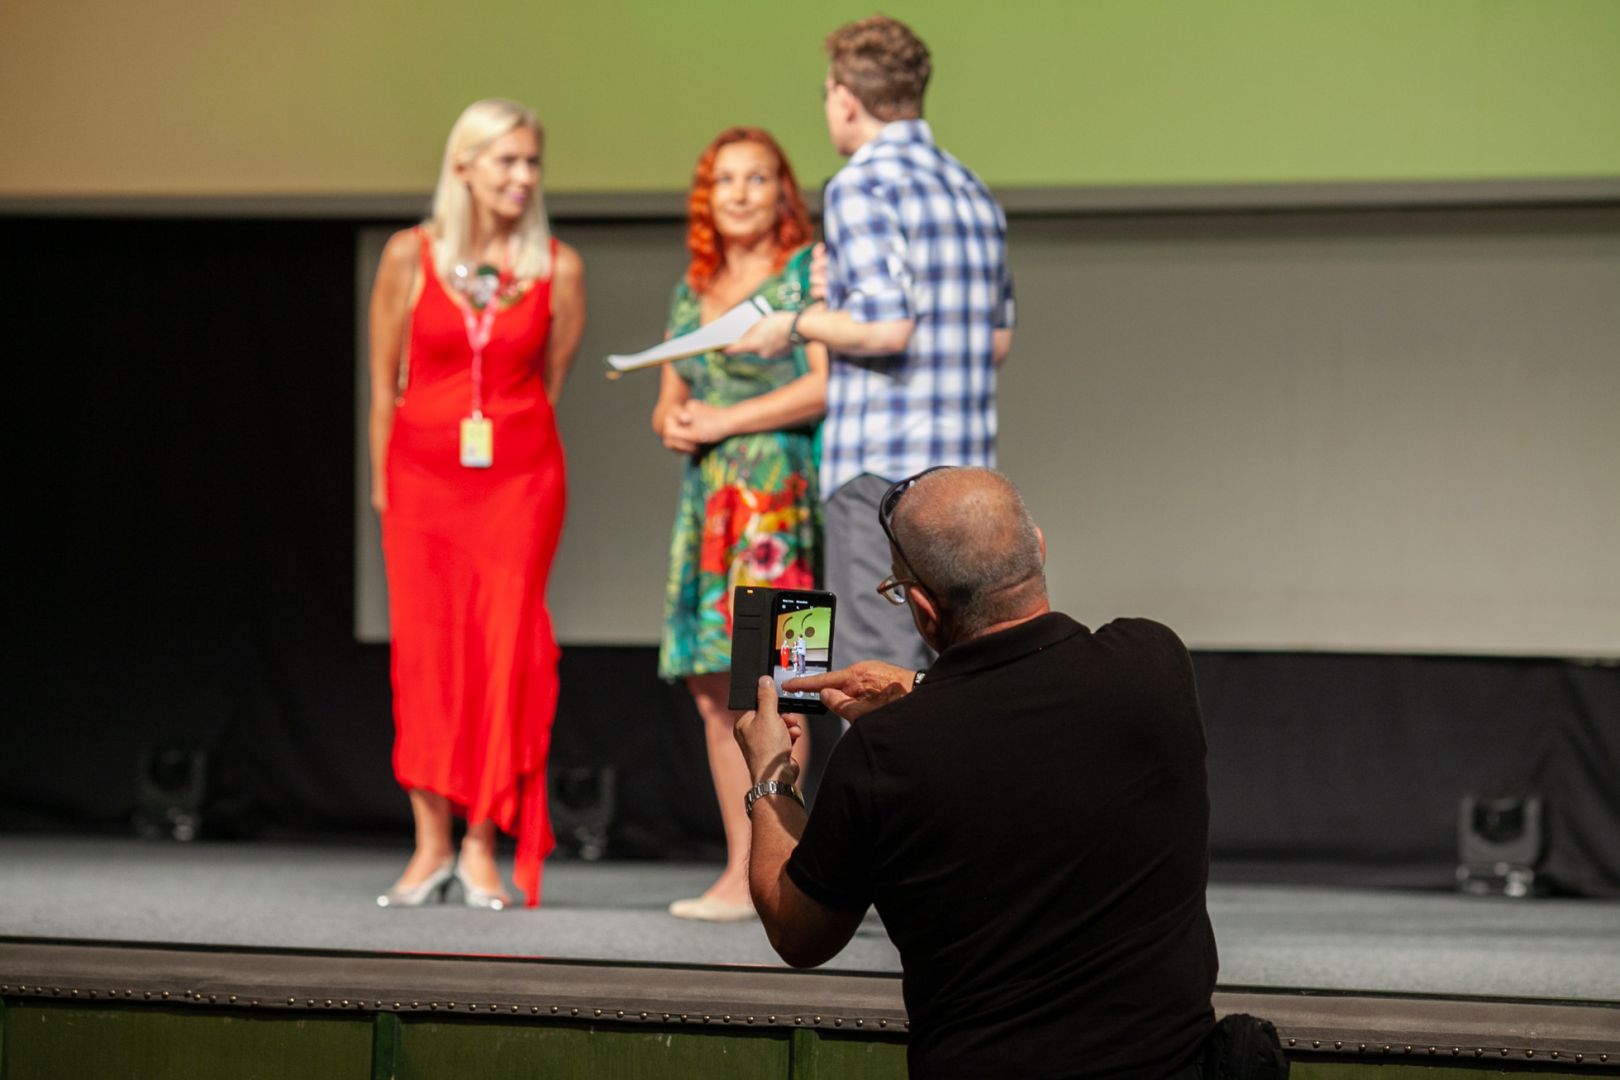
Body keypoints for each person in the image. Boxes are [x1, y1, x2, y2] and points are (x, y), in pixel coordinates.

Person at [735, 467, 1218, 1078]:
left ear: (923, 608)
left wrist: (771, 777)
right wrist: (922, 690)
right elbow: (1027, 721)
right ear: (1037, 548)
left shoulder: (886, 751)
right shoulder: (1154, 663)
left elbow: (798, 932)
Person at [730, 15, 1015, 676]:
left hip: (879, 470)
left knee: (873, 667)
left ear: (845, 98)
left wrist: (797, 324)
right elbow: (994, 340)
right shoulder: (972, 189)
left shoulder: (862, 183)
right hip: (966, 474)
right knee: (954, 664)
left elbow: (887, 329)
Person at [368, 99, 585, 910]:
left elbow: (548, 385)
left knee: (504, 654)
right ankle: (429, 845)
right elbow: (383, 388)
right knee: (426, 656)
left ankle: (481, 843)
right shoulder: (409, 255)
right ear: (463, 166)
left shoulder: (556, 267)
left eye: (532, 162)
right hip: (422, 484)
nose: (524, 176)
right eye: (507, 160)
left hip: (518, 485)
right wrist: (384, 490)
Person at [653, 127, 828, 922]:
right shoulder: (692, 288)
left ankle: (783, 867)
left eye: (758, 178)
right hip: (711, 499)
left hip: (778, 497)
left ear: (782, 191)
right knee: (710, 690)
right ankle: (738, 870)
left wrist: (725, 419)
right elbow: (669, 401)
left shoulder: (805, 273)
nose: (741, 193)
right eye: (725, 180)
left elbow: (824, 386)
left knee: (779, 687)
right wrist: (678, 423)